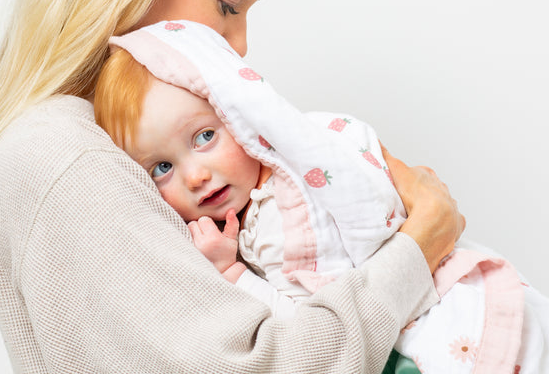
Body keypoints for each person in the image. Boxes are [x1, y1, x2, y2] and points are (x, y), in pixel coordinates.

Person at [0, 0, 466, 372]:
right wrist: (416, 250)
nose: (237, 44)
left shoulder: (91, 148)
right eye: (228, 6)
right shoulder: (66, 156)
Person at [95, 21, 549, 373]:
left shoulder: (286, 205)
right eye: (161, 168)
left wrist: (232, 272)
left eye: (205, 136)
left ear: (242, 115)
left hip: (457, 324)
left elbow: (313, 328)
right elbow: (320, 334)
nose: (194, 176)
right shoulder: (260, 208)